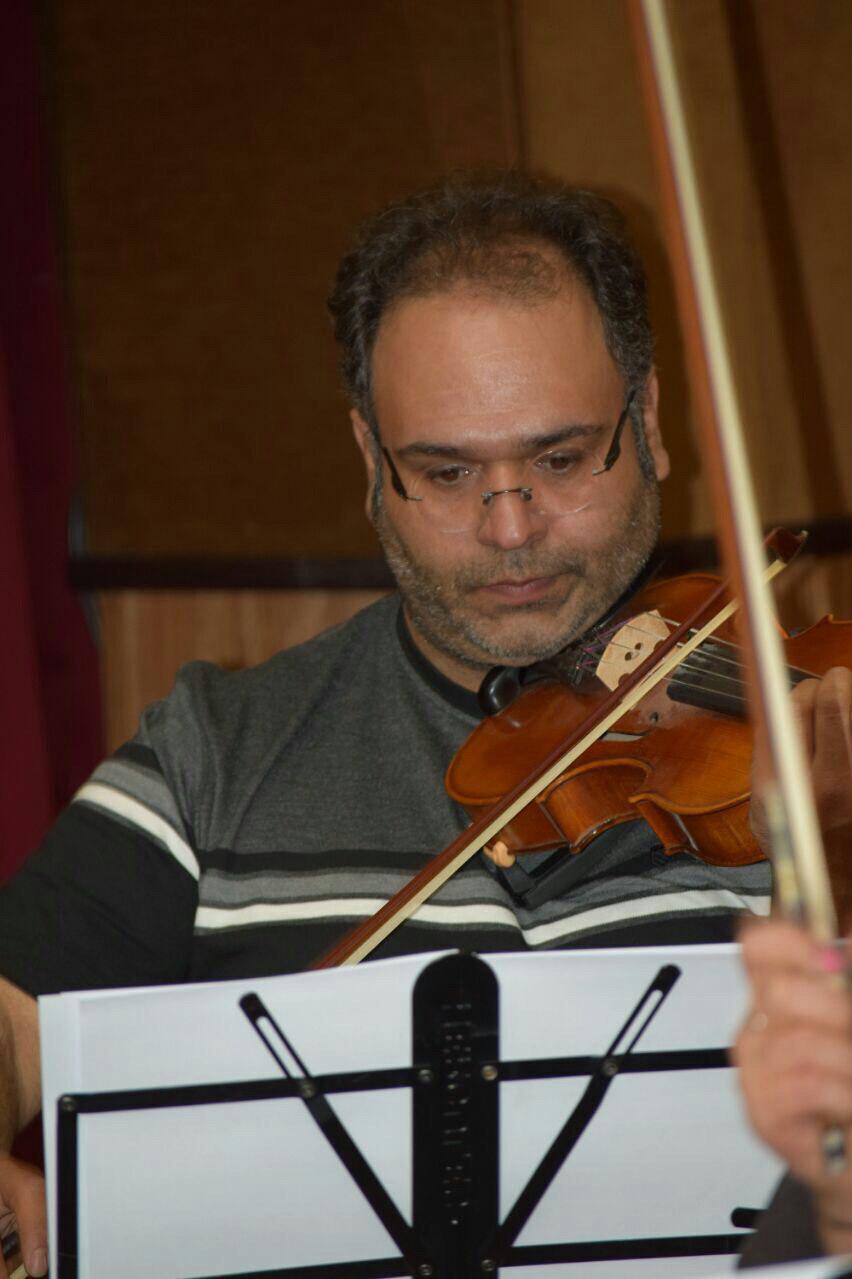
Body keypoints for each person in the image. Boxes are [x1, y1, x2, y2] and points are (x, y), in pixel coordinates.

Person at [0, 171, 791, 1275]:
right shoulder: (214, 759)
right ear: (374, 461)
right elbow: (15, 1024)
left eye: (560, 459)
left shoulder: (794, 754)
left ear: (649, 425)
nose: (509, 527)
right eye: (447, 472)